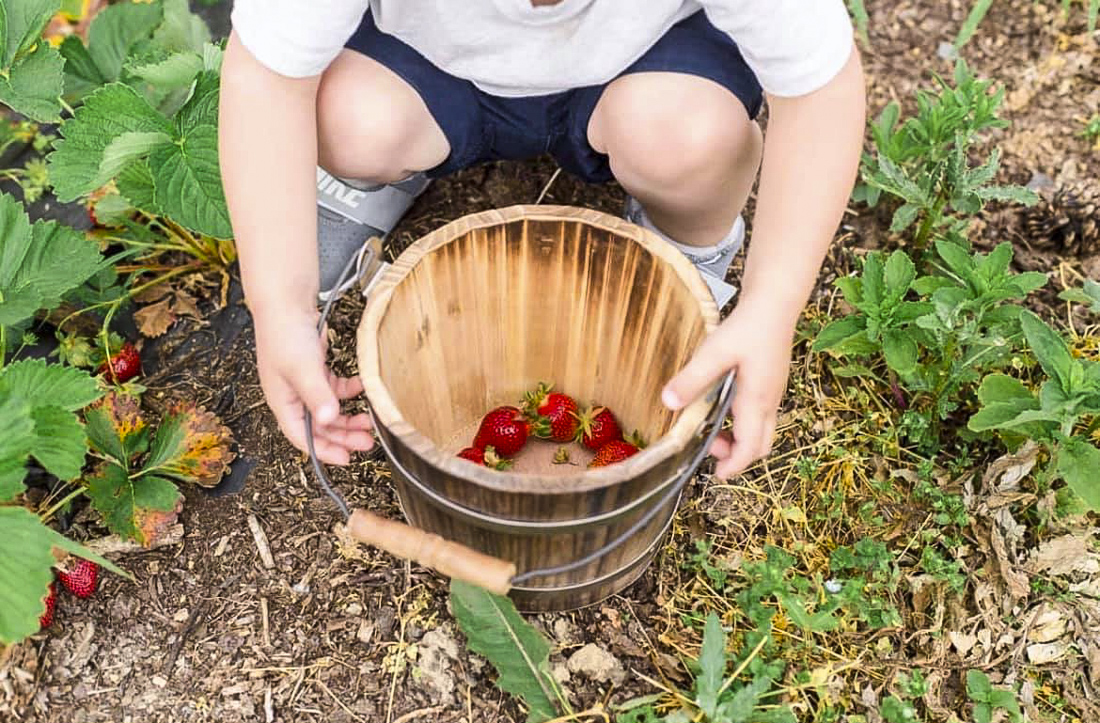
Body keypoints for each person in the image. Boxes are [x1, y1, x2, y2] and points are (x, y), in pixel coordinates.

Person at [218, 0, 866, 479]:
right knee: (349, 119)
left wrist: (771, 307)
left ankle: (687, 237)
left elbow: (821, 89)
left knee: (689, 138)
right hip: (433, 62)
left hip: (652, 64)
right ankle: (379, 169)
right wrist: (280, 303)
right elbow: (268, 74)